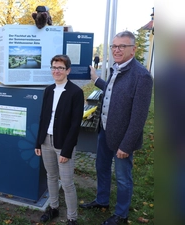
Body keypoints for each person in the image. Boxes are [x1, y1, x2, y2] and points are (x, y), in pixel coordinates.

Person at [79, 31, 153, 225]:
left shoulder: (142, 76)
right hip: (105, 131)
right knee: (101, 168)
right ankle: (102, 200)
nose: (117, 50)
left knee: (122, 177)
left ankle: (121, 214)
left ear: (133, 49)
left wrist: (126, 146)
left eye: (122, 46)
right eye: (114, 46)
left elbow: (139, 118)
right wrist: (96, 79)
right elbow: (113, 91)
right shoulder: (116, 68)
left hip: (123, 139)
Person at [35, 55, 84, 225]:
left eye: (60, 68)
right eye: (54, 67)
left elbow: (75, 124)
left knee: (68, 182)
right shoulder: (48, 90)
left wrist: (67, 150)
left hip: (63, 144)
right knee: (51, 176)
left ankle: (72, 217)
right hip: (46, 142)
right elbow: (43, 117)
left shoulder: (75, 92)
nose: (56, 71)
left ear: (68, 71)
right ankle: (54, 208)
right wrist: (38, 142)